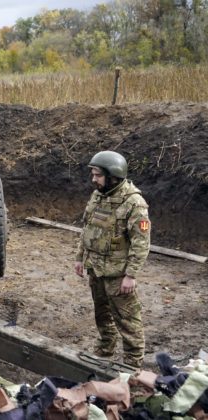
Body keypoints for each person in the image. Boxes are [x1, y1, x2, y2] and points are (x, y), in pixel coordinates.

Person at [75, 150, 150, 368]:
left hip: (118, 275)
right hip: (96, 269)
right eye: (93, 174)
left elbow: (141, 243)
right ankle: (105, 348)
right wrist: (80, 258)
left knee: (128, 319)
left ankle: (133, 362)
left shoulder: (134, 203)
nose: (93, 179)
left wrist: (131, 275)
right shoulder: (98, 195)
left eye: (97, 175)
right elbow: (87, 229)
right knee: (102, 314)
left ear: (113, 175)